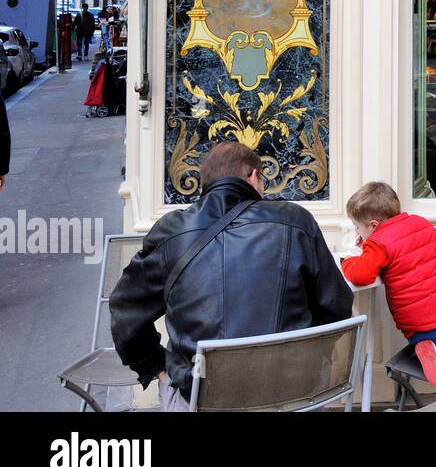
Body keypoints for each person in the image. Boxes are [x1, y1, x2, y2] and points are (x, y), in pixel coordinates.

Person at [110, 141, 354, 411]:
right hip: (291, 395)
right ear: (253, 176)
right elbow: (336, 307)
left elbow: (125, 314)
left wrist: (157, 367)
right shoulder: (295, 221)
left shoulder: (171, 232)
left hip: (201, 397)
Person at [341, 182, 436, 388]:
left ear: (373, 225)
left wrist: (347, 262)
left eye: (358, 227)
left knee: (420, 340)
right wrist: (368, 243)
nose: (357, 231)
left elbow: (362, 275)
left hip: (420, 324)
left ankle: (426, 349)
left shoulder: (379, 244)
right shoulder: (421, 224)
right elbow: (408, 251)